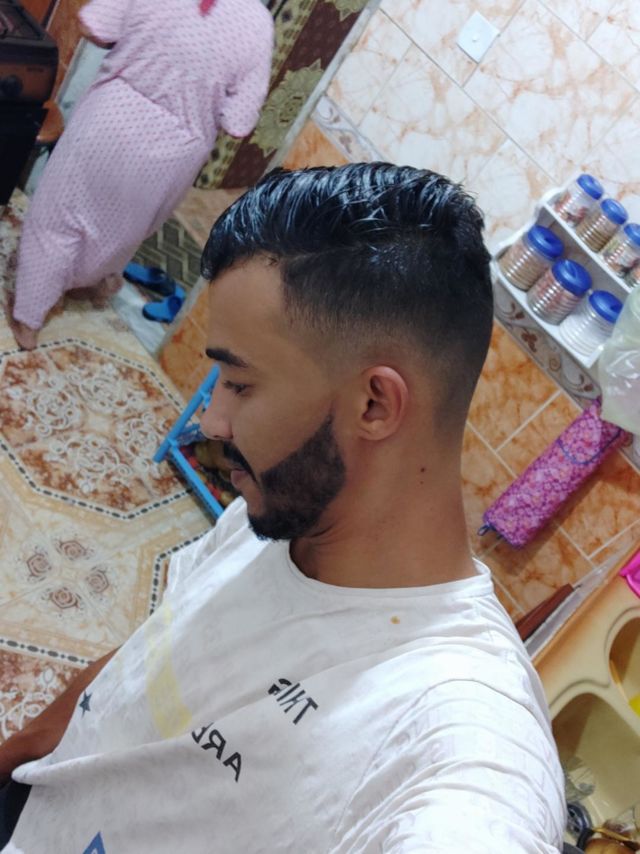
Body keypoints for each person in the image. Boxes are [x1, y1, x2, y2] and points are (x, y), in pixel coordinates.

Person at [0, 164, 566, 852]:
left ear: (374, 404)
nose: (211, 420)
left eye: (240, 384)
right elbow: (144, 664)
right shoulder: (274, 514)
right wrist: (15, 757)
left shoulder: (458, 732)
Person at [8, 0, 273, 350]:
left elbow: (92, 26)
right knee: (120, 231)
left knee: (58, 218)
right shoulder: (257, 22)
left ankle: (29, 317)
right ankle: (85, 282)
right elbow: (238, 123)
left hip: (112, 116)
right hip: (173, 154)